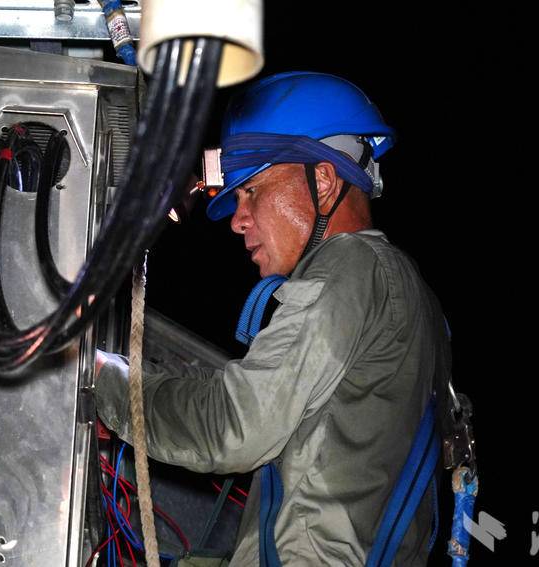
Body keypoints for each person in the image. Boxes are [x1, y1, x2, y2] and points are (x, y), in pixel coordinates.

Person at [95, 71, 450, 566]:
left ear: (322, 180)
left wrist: (102, 382)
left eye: (252, 191)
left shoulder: (351, 267)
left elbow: (234, 426)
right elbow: (252, 398)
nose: (238, 220)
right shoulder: (403, 293)